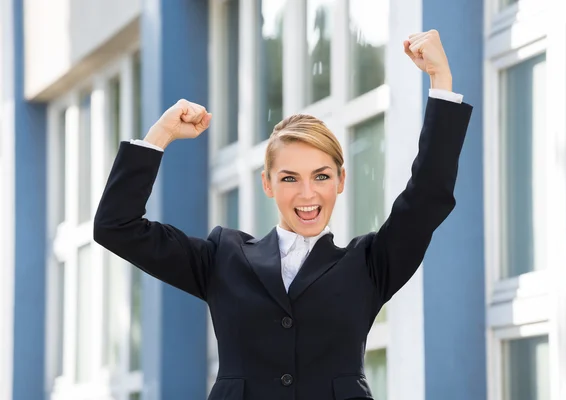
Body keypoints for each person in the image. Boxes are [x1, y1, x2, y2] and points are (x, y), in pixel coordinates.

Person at [94, 30, 472, 400]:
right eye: (290, 178)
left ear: (341, 180)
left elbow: (426, 198)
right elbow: (117, 227)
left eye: (321, 176)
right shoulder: (222, 258)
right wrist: (160, 134)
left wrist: (441, 80)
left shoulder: (369, 265)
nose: (307, 194)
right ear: (267, 184)